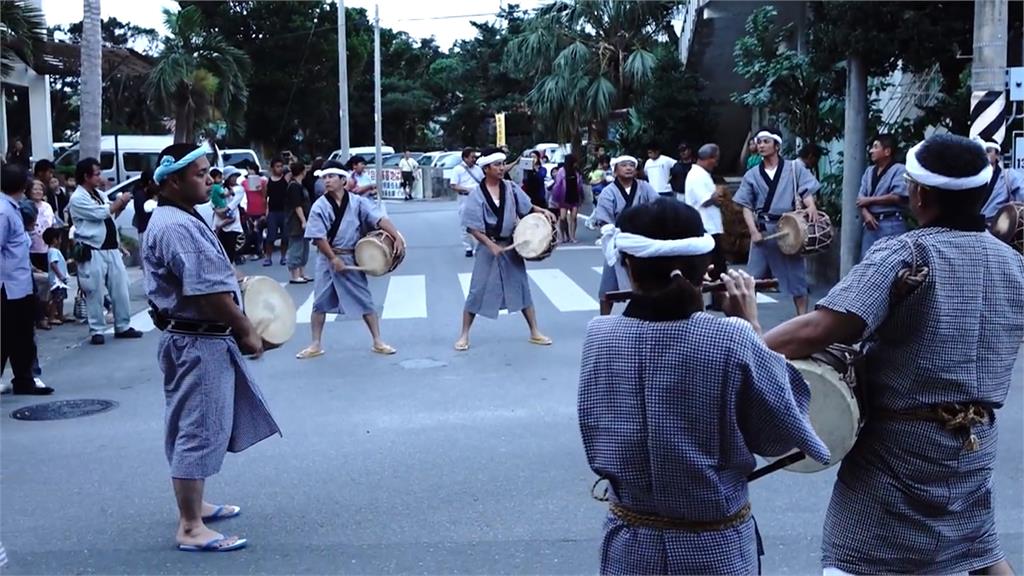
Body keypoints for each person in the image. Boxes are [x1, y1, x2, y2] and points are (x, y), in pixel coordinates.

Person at [763, 133, 1024, 576]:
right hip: (974, 444)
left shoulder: (907, 252)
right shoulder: (1013, 264)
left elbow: (821, 328)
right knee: (976, 547)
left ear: (919, 194)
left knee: (854, 559)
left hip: (896, 453)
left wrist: (746, 345)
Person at [579, 198, 829, 575]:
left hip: (630, 547)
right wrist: (752, 328)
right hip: (713, 549)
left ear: (629, 266)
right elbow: (780, 439)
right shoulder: (731, 338)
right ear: (707, 269)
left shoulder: (599, 336)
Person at [144, 143, 281, 553]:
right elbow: (205, 291)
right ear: (173, 181)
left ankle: (196, 505)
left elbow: (210, 273)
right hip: (197, 339)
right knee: (198, 427)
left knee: (199, 422)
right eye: (201, 174)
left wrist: (238, 281)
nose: (210, 179)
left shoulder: (181, 216)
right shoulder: (174, 224)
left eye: (209, 171)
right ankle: (189, 528)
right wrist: (246, 329)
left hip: (196, 337)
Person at [296, 160, 404, 359]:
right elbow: (318, 237)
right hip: (327, 258)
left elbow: (378, 218)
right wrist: (332, 258)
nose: (326, 181)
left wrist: (396, 236)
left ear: (342, 180)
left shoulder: (357, 202)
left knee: (365, 300)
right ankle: (315, 343)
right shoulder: (319, 206)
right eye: (324, 177)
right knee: (319, 302)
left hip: (351, 257)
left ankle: (378, 340)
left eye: (331, 177)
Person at [453, 149, 556, 351]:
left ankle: (534, 331)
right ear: (486, 169)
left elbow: (526, 206)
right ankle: (464, 334)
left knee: (521, 286)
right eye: (497, 165)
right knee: (477, 290)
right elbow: (472, 227)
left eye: (502, 164)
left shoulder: (510, 187)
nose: (502, 168)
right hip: (487, 247)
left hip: (511, 244)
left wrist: (542, 210)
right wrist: (490, 245)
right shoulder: (476, 194)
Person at [732, 128, 821, 316]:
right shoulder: (752, 174)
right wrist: (753, 231)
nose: (761, 145)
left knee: (797, 279)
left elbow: (806, 191)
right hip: (763, 230)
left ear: (777, 145)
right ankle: (747, 321)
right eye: (759, 142)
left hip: (789, 229)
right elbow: (746, 206)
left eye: (766, 141)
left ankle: (802, 319)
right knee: (751, 280)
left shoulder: (794, 168)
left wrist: (811, 206)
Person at [68, 157, 144, 344]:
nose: (100, 177)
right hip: (92, 249)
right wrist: (121, 200)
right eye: (97, 174)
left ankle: (123, 325)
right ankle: (97, 330)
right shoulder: (78, 198)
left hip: (110, 248)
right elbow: (101, 213)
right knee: (93, 290)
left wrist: (121, 204)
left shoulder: (98, 194)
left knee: (121, 288)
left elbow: (110, 216)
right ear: (86, 176)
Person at [1, 164, 53, 395]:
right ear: (22, 186)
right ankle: (23, 378)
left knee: (21, 335)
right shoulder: (4, 211)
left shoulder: (12, 208)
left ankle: (24, 379)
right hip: (8, 286)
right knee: (8, 334)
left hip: (19, 284)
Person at [591, 155, 660, 316]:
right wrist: (612, 232)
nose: (629, 168)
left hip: (642, 242)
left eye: (632, 165)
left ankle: (648, 317)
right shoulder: (608, 192)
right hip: (618, 242)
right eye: (624, 165)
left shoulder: (645, 187)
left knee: (648, 284)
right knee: (608, 286)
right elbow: (604, 218)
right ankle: (604, 321)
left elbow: (657, 206)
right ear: (615, 170)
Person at [684, 143, 728, 310]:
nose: (716, 163)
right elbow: (705, 199)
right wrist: (716, 197)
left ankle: (717, 300)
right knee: (714, 266)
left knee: (716, 266)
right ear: (709, 159)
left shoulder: (701, 173)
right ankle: (715, 300)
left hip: (710, 225)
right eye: (715, 159)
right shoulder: (696, 175)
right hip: (705, 226)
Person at [856, 134, 908, 259]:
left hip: (891, 223)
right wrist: (866, 214)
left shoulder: (899, 170)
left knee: (891, 263)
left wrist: (869, 200)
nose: (871, 151)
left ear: (887, 151)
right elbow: (860, 199)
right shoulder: (869, 171)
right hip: (871, 224)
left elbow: (897, 197)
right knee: (867, 264)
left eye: (875, 147)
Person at [978, 139, 1024, 225]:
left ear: (997, 155)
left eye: (988, 151)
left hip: (998, 233)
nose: (983, 155)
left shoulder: (1010, 176)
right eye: (980, 151)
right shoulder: (969, 178)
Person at [450, 148, 484, 257]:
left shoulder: (478, 169)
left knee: (479, 223)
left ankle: (479, 246)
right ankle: (468, 247)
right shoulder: (457, 170)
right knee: (465, 224)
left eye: (475, 157)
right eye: (472, 157)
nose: (474, 159)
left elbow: (483, 182)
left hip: (477, 198)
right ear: (465, 158)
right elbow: (454, 185)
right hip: (464, 197)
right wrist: (467, 189)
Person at [285, 162, 312, 284]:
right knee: (296, 246)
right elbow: (297, 205)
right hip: (295, 221)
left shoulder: (300, 185)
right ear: (302, 171)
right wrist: (303, 221)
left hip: (303, 219)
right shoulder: (294, 186)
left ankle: (302, 272)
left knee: (304, 247)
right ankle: (295, 275)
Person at [214, 166, 245, 266]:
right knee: (221, 250)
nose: (234, 178)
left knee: (230, 251)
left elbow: (232, 205)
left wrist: (222, 211)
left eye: (236, 176)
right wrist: (217, 210)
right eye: (232, 176)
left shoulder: (239, 189)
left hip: (233, 225)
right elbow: (214, 200)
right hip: (220, 223)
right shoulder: (220, 188)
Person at [550, 153, 584, 243]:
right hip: (563, 197)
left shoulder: (577, 172)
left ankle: (572, 236)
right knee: (562, 218)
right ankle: (563, 236)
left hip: (575, 196)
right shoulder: (562, 171)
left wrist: (582, 197)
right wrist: (555, 198)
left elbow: (580, 185)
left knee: (573, 217)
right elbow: (557, 185)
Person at [263, 157, 289, 267]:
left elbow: (293, 168)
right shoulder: (267, 181)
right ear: (272, 168)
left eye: (281, 166)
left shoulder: (286, 178)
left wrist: (291, 158)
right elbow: (265, 198)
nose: (280, 168)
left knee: (285, 236)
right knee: (271, 237)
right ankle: (268, 257)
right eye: (277, 166)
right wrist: (266, 212)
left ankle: (283, 257)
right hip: (273, 212)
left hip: (285, 211)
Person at [44, 227, 69, 325]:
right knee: (56, 298)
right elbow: (53, 264)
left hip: (60, 280)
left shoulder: (53, 251)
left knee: (60, 298)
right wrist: (60, 276)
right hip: (57, 280)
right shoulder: (53, 251)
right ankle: (51, 317)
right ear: (55, 239)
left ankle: (60, 315)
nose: (61, 240)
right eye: (60, 238)